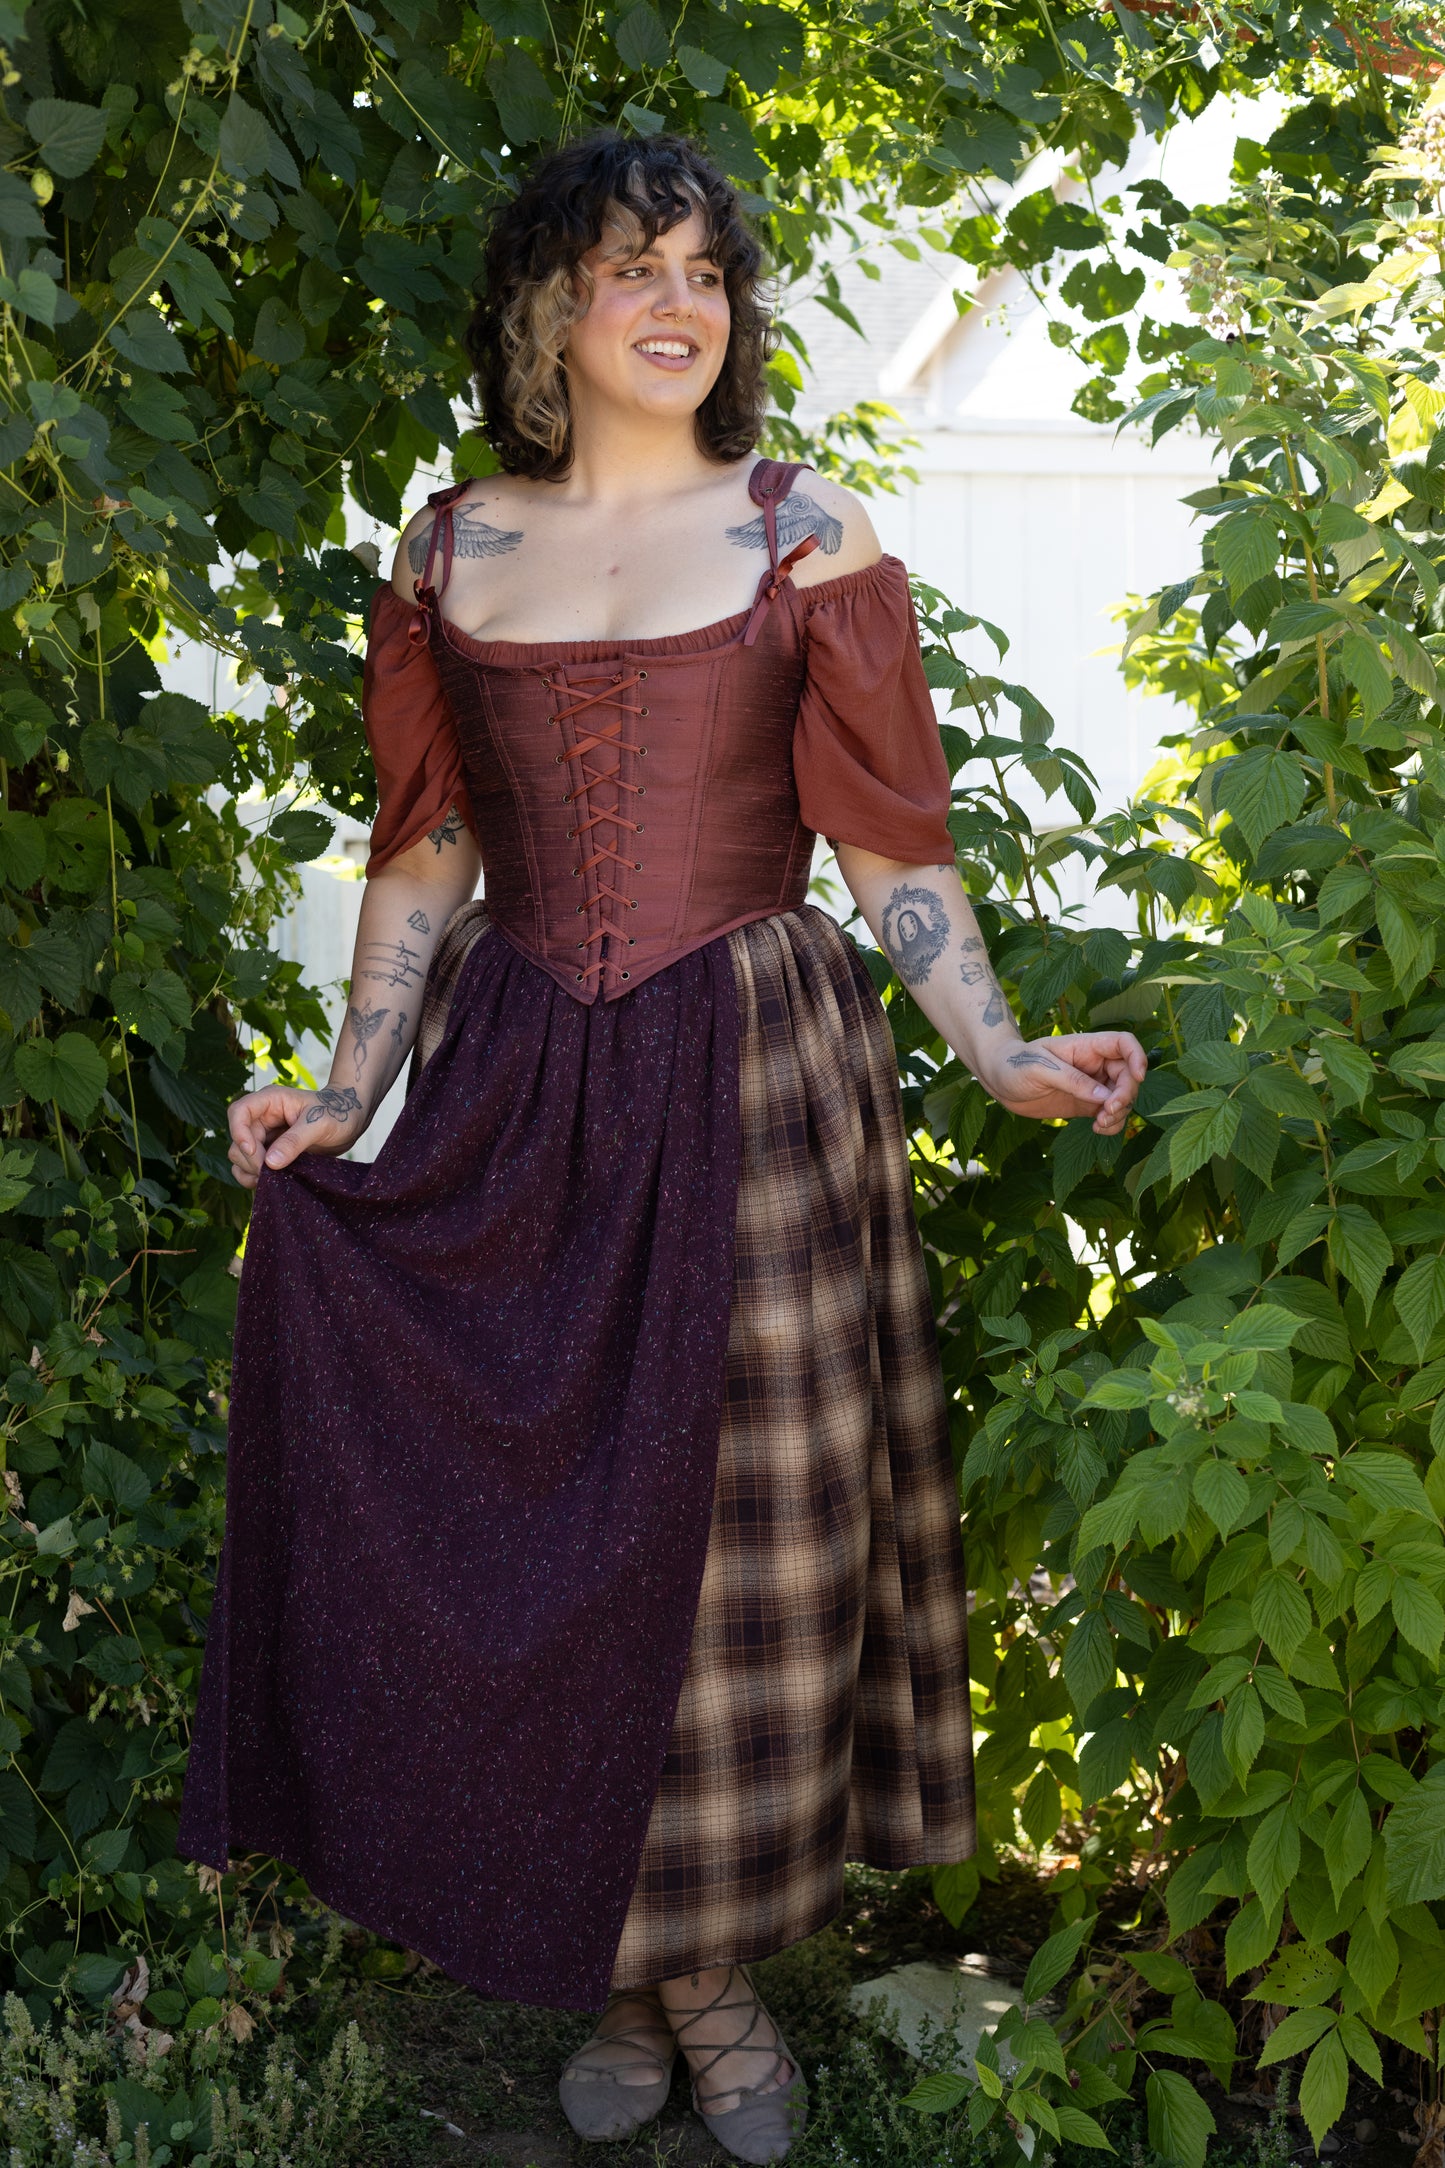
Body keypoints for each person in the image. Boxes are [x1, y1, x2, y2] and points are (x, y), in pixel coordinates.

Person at [178, 131, 1145, 2165]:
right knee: (544, 1522)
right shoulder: (453, 555)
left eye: (707, 268)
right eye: (632, 267)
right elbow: (429, 848)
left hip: (755, 1063)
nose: (676, 300)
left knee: (729, 1542)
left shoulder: (805, 530)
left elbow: (890, 839)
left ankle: (700, 1968)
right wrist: (348, 1093)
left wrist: (990, 1040)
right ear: (549, 309)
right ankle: (625, 1969)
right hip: (528, 1063)